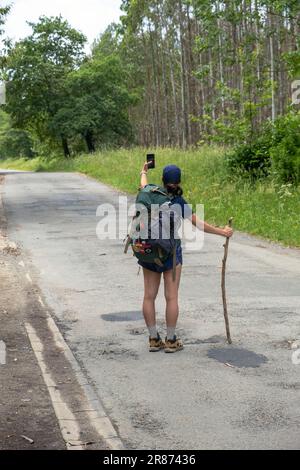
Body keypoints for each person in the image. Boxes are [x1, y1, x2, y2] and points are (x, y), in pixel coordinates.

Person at [139, 162, 233, 353]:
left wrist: (143, 171)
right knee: (171, 297)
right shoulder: (180, 203)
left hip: (148, 251)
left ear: (163, 181)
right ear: (179, 182)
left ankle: (153, 339)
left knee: (149, 296)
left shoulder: (151, 195)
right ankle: (171, 341)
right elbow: (199, 225)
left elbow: (143, 185)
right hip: (171, 255)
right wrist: (223, 232)